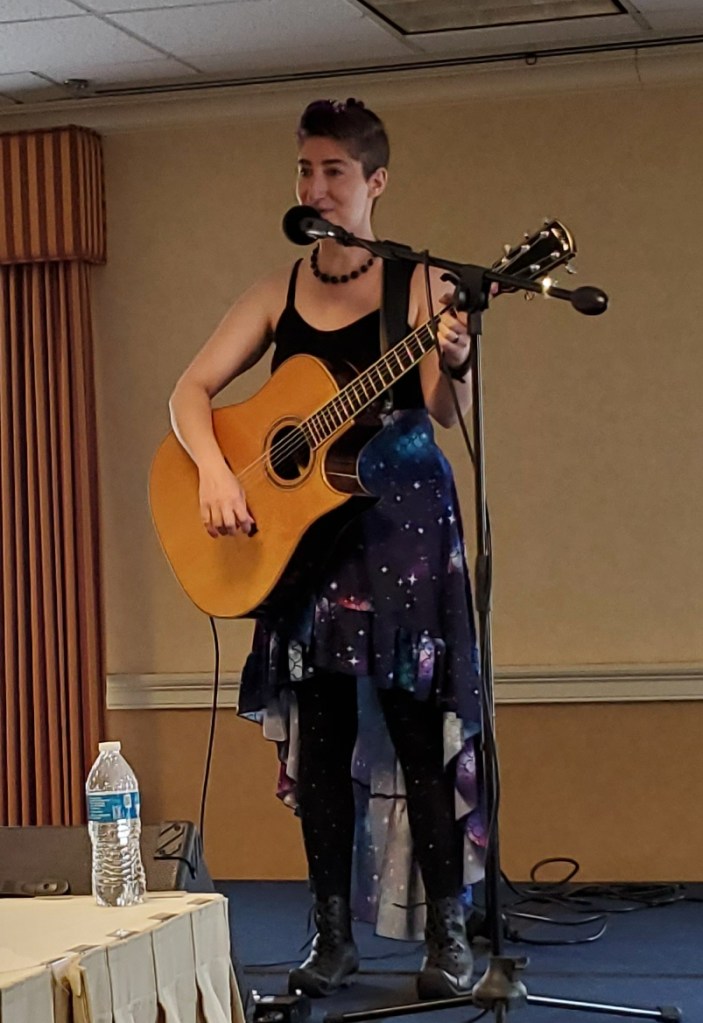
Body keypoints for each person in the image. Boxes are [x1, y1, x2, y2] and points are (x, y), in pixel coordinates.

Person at [169, 98, 486, 1001]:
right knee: (325, 745)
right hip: (308, 545)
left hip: (405, 533)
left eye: (333, 173)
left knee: (421, 737)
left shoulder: (424, 285)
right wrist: (214, 474)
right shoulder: (278, 291)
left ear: (375, 182)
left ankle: (449, 940)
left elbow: (437, 409)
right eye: (305, 171)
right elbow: (189, 391)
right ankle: (331, 934)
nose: (316, 188)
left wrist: (455, 357)